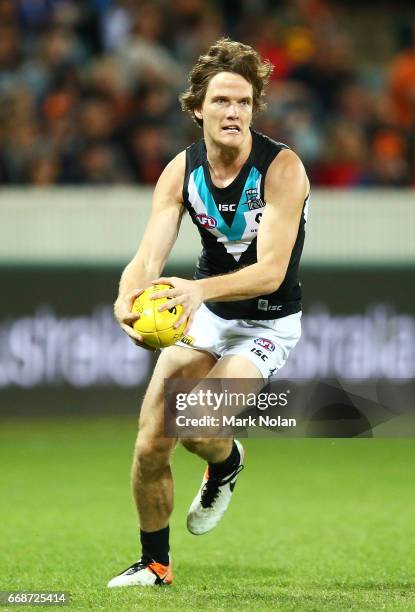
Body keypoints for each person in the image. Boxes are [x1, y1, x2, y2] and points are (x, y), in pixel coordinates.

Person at [108, 38, 310, 588]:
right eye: (222, 101)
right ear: (197, 106)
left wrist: (197, 290)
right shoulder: (181, 171)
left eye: (244, 102)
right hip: (208, 313)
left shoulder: (282, 169)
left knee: (197, 426)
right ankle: (155, 565)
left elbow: (271, 269)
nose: (234, 113)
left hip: (265, 321)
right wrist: (127, 298)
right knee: (152, 439)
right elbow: (148, 256)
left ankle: (225, 462)